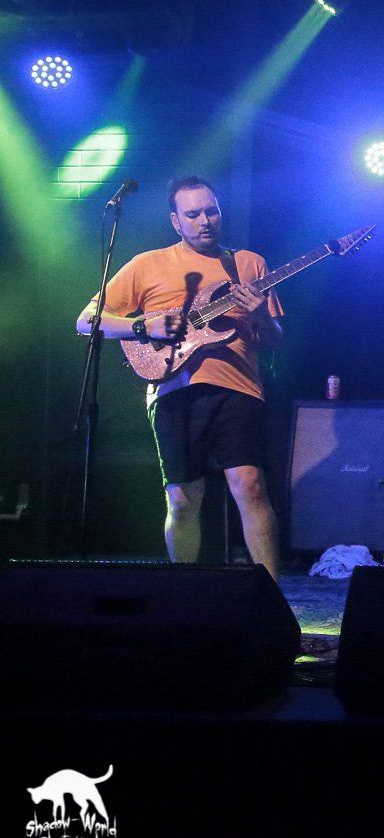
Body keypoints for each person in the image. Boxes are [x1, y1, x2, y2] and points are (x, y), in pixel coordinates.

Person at [75, 177, 284, 579]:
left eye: (212, 211)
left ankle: (272, 600)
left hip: (239, 388)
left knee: (250, 486)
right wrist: (142, 327)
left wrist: (260, 313)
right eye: (193, 214)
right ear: (175, 221)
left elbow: (273, 340)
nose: (205, 221)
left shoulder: (248, 264)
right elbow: (86, 321)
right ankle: (184, 592)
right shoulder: (147, 264)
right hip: (172, 390)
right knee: (183, 500)